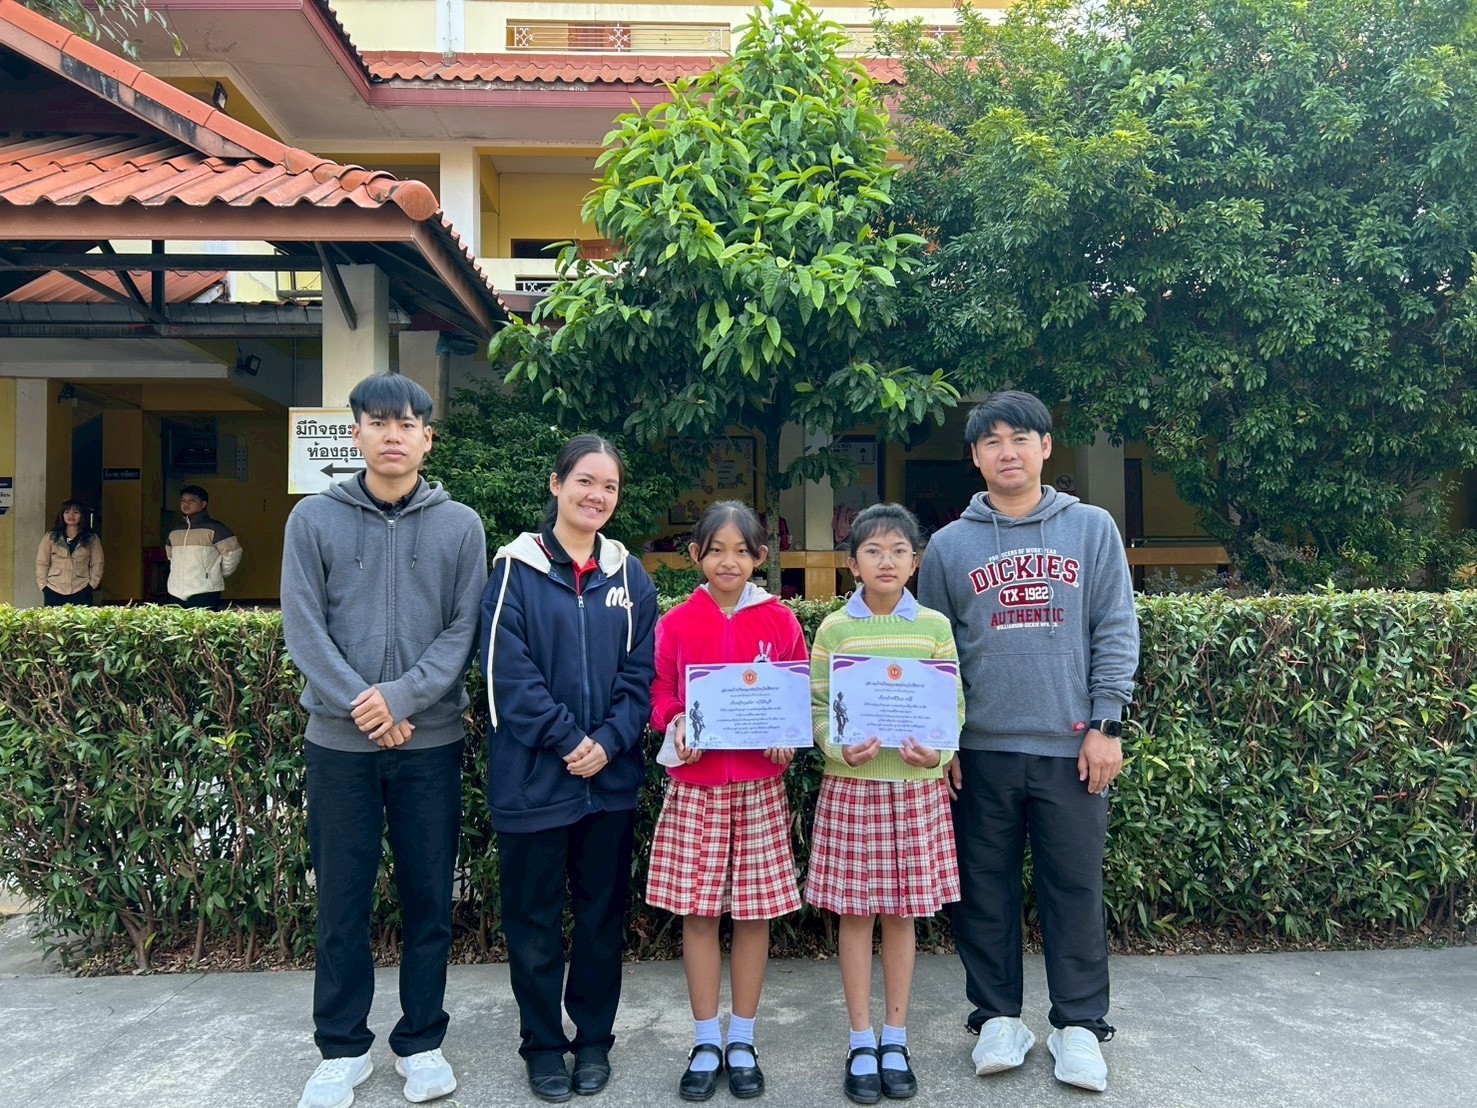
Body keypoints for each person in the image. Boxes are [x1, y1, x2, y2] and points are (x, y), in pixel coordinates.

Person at [917, 391, 1139, 1094]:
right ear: (974, 456)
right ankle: (996, 1018)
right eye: (992, 441)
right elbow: (934, 651)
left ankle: (1080, 1026)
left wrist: (1106, 724)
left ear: (1045, 446)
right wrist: (943, 740)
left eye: (1020, 438)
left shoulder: (1091, 529)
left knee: (1073, 887)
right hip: (980, 749)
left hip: (1070, 747)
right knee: (982, 889)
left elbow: (1114, 626)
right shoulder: (949, 546)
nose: (1006, 452)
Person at [281, 373, 488, 1108]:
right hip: (339, 747)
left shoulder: (460, 524)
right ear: (357, 433)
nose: (392, 435)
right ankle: (341, 1049)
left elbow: (464, 628)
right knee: (341, 901)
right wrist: (365, 707)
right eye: (378, 422)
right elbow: (303, 625)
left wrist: (399, 699)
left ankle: (422, 1041)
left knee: (429, 897)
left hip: (429, 744)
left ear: (428, 438)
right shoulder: (313, 519)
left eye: (406, 424)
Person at [480, 434, 659, 1103]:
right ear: (557, 484)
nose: (596, 496)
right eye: (585, 481)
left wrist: (608, 743)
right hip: (535, 781)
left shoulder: (629, 576)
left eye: (609, 486)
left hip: (608, 785)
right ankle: (542, 1046)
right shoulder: (515, 570)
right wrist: (568, 740)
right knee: (532, 923)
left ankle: (592, 1042)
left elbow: (642, 676)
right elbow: (507, 677)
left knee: (600, 920)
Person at [646, 500, 807, 1102]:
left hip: (760, 787)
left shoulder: (780, 621)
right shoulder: (677, 622)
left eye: (741, 551)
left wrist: (787, 735)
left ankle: (742, 1038)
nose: (728, 561)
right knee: (699, 913)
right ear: (696, 555)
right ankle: (705, 1040)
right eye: (716, 550)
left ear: (760, 557)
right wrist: (676, 719)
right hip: (697, 785)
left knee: (753, 914)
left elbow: (795, 693)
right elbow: (660, 690)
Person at [806, 503, 964, 1105]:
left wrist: (939, 750)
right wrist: (839, 747)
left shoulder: (933, 627)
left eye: (899, 551)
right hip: (852, 789)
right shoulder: (833, 631)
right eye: (873, 551)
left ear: (915, 561)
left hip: (916, 790)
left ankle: (895, 1038)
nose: (887, 561)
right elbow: (818, 708)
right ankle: (860, 1038)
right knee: (855, 915)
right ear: (852, 564)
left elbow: (952, 704)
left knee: (901, 916)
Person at [165, 484, 241, 609]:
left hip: (205, 590)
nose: (186, 504)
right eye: (183, 500)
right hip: (175, 591)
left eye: (192, 500)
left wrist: (215, 574)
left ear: (203, 504)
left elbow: (233, 554)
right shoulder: (175, 531)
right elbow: (170, 556)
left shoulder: (216, 529)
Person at [35, 499, 103, 605]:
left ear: (82, 515)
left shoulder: (91, 538)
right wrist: (43, 585)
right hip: (54, 588)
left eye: (76, 512)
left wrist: (92, 584)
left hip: (81, 588)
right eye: (67, 512)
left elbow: (97, 563)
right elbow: (42, 562)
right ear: (62, 515)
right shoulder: (51, 536)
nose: (71, 515)